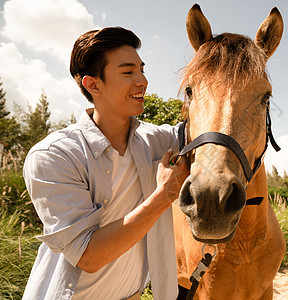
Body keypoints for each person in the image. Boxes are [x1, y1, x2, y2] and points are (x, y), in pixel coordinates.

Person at [22, 26, 189, 300]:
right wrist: (162, 196)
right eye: (128, 72)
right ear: (93, 84)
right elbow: (88, 255)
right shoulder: (54, 156)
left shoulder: (158, 141)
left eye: (142, 69)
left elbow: (208, 130)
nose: (142, 81)